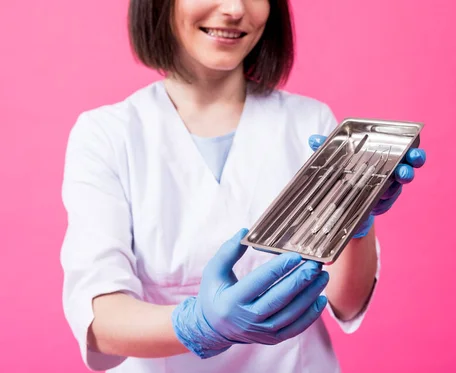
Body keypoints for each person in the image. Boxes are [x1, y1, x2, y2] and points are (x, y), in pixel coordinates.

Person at [59, 0, 427, 372]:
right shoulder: (106, 135)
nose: (235, 9)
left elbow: (347, 300)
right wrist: (198, 326)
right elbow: (99, 317)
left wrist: (356, 221)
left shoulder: (310, 123)